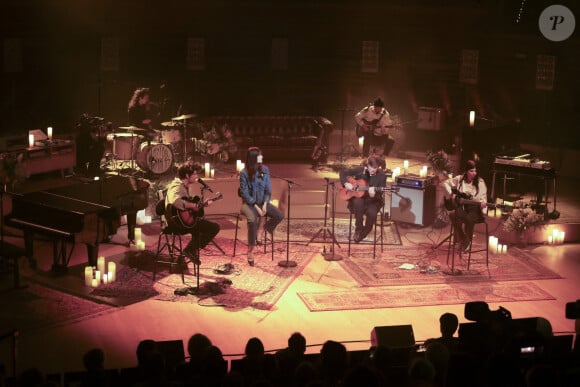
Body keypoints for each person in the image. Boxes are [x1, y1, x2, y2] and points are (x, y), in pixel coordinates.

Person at [165, 162, 220, 264]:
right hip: (176, 224)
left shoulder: (184, 186)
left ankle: (186, 255)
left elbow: (188, 205)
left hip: (180, 221)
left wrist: (202, 205)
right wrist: (193, 206)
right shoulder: (177, 186)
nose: (197, 177)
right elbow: (175, 201)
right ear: (187, 175)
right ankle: (190, 250)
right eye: (194, 174)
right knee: (214, 227)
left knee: (199, 227)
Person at [239, 146, 284, 266]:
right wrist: (257, 207)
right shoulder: (244, 173)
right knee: (252, 220)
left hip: (262, 203)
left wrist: (264, 204)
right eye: (259, 156)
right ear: (254, 158)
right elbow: (244, 193)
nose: (262, 158)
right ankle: (250, 251)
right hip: (249, 204)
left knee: (279, 215)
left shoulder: (265, 169)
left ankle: (262, 230)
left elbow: (268, 190)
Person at [339, 155, 387, 243]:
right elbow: (343, 172)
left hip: (372, 201)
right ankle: (358, 228)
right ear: (367, 165)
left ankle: (363, 233)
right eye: (371, 167)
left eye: (375, 168)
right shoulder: (361, 170)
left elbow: (379, 194)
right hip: (359, 198)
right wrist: (346, 183)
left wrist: (373, 195)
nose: (373, 170)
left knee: (372, 213)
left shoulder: (382, 176)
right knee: (358, 202)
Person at [443, 159, 487, 252]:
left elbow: (483, 198)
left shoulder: (480, 182)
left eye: (475, 171)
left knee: (468, 218)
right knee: (453, 215)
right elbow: (446, 183)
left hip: (476, 209)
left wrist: (483, 204)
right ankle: (464, 240)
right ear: (466, 171)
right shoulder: (460, 179)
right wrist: (452, 193)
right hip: (463, 208)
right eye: (471, 171)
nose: (474, 173)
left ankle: (465, 241)